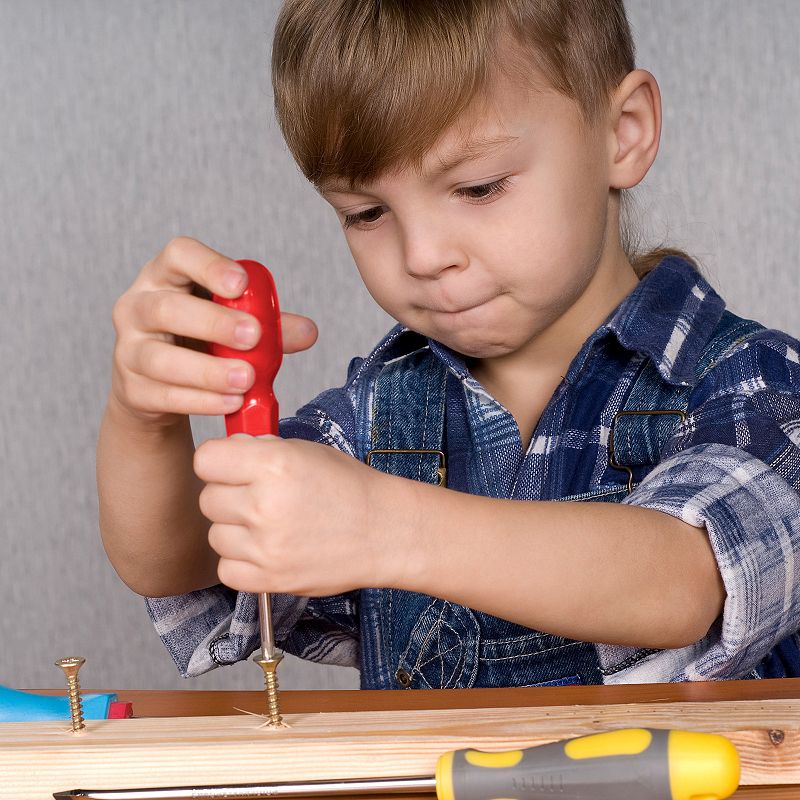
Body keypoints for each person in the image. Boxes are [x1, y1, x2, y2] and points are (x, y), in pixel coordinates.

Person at [97, 0, 800, 688]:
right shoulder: (377, 415)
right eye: (366, 212)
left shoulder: (752, 384)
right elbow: (183, 563)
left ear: (623, 132)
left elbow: (685, 581)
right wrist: (146, 420)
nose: (424, 254)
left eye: (477, 187)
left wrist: (381, 526)